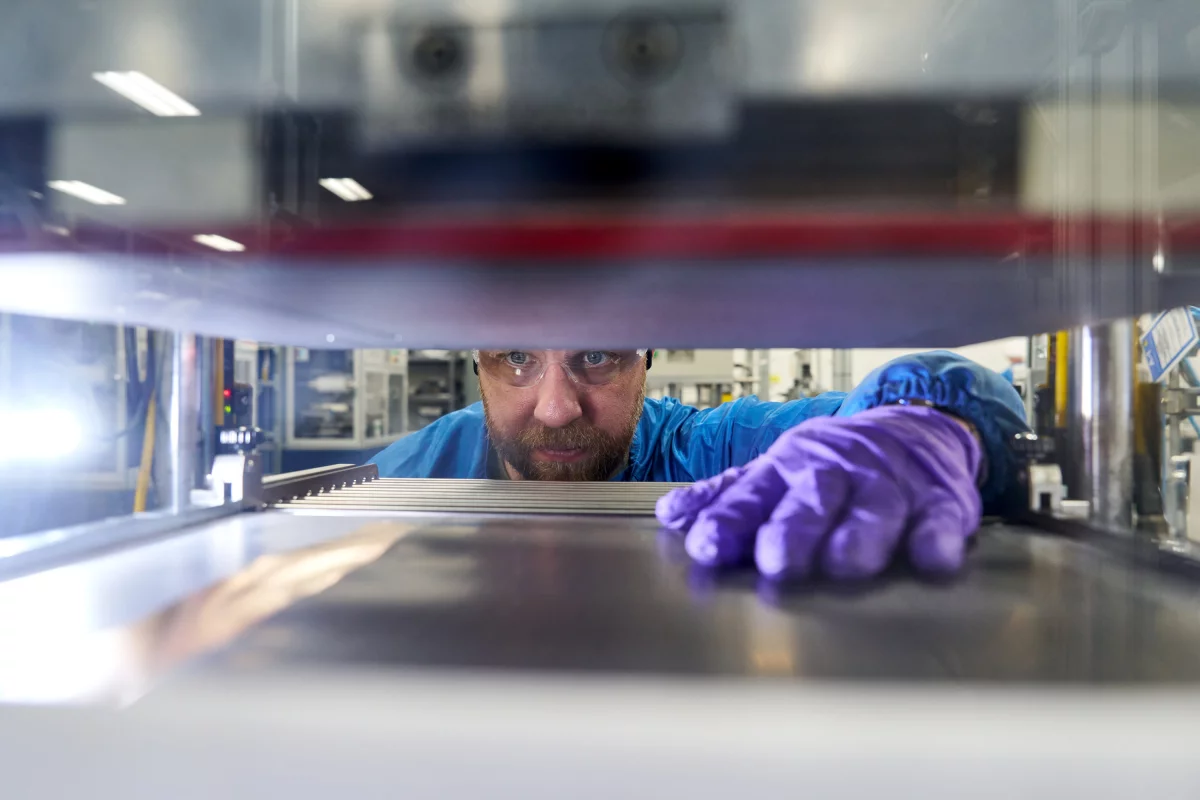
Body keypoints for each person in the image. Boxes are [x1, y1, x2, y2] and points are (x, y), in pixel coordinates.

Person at [371, 349, 1028, 581]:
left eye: (597, 355)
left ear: (646, 360)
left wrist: (933, 422)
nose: (555, 408)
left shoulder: (712, 450)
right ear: (476, 367)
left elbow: (876, 410)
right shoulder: (424, 465)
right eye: (516, 355)